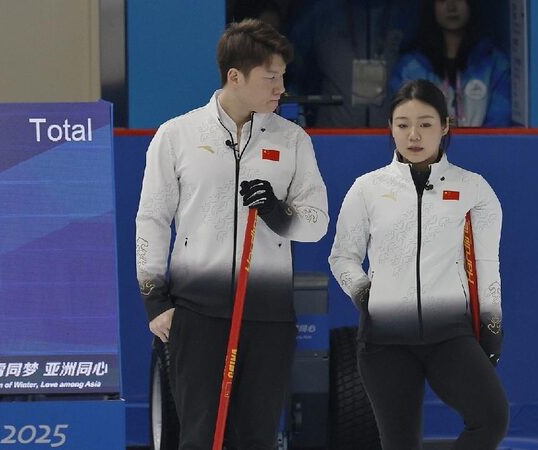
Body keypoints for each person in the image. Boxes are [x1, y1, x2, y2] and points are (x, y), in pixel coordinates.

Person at [135, 19, 329, 449]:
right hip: (197, 313)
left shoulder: (293, 140)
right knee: (200, 435)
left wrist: (278, 213)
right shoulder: (177, 136)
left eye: (283, 76)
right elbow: (151, 218)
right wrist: (155, 299)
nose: (281, 87)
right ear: (235, 77)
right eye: (271, 77)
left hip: (268, 316)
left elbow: (316, 223)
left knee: (256, 437)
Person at [328, 79, 508, 449]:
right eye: (402, 124)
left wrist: (492, 323)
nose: (413, 135)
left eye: (425, 124)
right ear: (390, 128)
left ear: (445, 126)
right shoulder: (367, 188)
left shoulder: (474, 189)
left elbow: (488, 263)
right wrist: (363, 293)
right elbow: (342, 257)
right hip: (385, 342)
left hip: (449, 335)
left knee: (491, 419)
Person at [287, 0, 419, 127]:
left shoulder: (404, 12)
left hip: (389, 137)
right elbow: (293, 65)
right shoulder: (322, 12)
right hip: (332, 136)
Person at [391, 0, 511, 127]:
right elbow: (406, 123)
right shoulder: (410, 67)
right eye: (442, 0)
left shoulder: (495, 64)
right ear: (432, 6)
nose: (451, 6)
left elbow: (499, 125)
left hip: (483, 146)